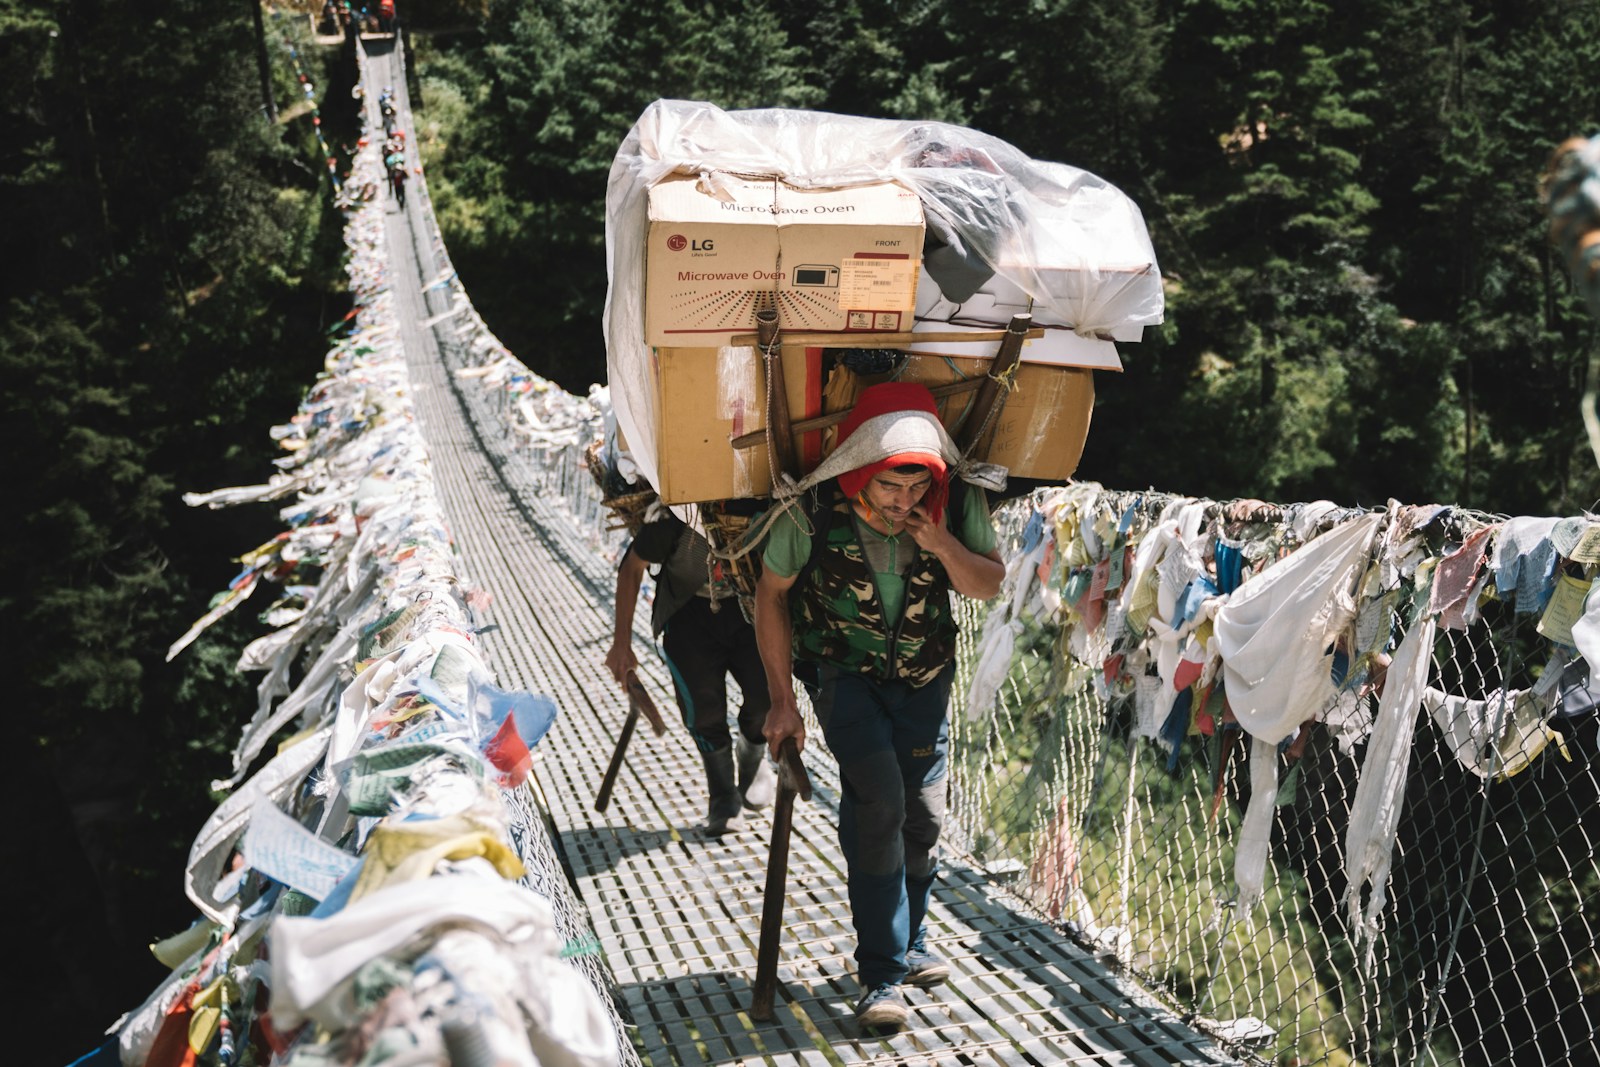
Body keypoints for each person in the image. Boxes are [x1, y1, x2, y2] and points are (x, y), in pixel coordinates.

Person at [754, 381, 1003, 1032]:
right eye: (892, 486)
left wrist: (942, 540)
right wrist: (782, 700)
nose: (905, 500)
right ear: (861, 472)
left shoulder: (953, 502)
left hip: (925, 675)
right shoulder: (809, 511)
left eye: (918, 486)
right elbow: (770, 596)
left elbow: (987, 585)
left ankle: (913, 939)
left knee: (922, 815)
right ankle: (881, 975)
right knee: (881, 801)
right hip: (845, 674)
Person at [607, 508, 776, 835]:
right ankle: (723, 797)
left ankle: (752, 754)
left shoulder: (760, 508)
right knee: (701, 710)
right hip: (689, 614)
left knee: (766, 698)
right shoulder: (676, 517)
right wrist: (621, 644)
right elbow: (631, 568)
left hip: (751, 610)